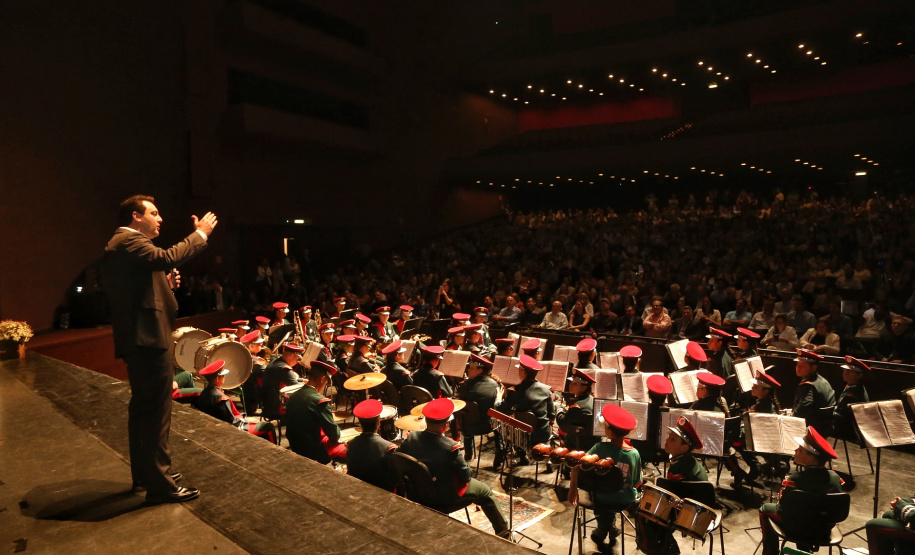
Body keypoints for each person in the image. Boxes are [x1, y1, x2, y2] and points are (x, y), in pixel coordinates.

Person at [101, 194, 215, 503]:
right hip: (148, 340)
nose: (160, 217)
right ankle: (160, 485)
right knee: (155, 414)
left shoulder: (129, 247)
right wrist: (200, 233)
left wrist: (165, 283)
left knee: (145, 412)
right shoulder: (128, 240)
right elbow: (167, 257)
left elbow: (141, 286)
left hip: (143, 338)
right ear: (136, 217)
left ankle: (148, 474)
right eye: (153, 212)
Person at [399, 398, 510, 538]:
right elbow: (466, 476)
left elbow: (400, 459)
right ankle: (504, 534)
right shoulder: (450, 447)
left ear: (426, 421)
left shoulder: (410, 438)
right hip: (443, 497)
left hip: (417, 494)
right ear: (446, 424)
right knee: (486, 492)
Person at [568, 404, 642, 554]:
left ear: (608, 430)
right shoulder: (634, 454)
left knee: (601, 492)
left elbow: (578, 465)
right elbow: (636, 482)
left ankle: (603, 528)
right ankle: (610, 526)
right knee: (615, 491)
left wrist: (572, 488)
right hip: (625, 501)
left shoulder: (599, 448)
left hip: (602, 500)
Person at [758, 426, 842, 555]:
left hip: (799, 529)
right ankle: (804, 550)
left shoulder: (797, 478)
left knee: (765, 509)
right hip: (824, 529)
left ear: (811, 456)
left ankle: (770, 552)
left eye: (800, 450)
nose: (795, 450)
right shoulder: (835, 477)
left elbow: (783, 509)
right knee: (809, 512)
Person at [637, 416, 707, 555]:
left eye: (673, 439)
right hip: (702, 512)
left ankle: (660, 549)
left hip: (691, 516)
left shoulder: (678, 468)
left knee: (643, 511)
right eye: (669, 436)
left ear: (685, 447)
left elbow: (671, 498)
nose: (667, 440)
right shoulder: (690, 461)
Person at [196, 360, 276, 443]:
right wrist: (246, 420)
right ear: (217, 378)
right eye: (223, 376)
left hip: (212, 426)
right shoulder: (221, 398)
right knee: (269, 427)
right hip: (226, 430)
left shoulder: (204, 392)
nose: (224, 377)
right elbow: (231, 422)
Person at [285, 361, 347, 464]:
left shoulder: (293, 396)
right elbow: (334, 435)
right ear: (322, 379)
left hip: (295, 446)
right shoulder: (319, 401)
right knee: (350, 450)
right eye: (326, 382)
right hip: (314, 450)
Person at [499, 355, 555, 463]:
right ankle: (547, 458)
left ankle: (522, 456)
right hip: (541, 434)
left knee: (517, 426)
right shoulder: (546, 390)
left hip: (521, 436)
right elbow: (552, 416)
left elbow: (501, 409)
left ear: (523, 372)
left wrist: (498, 398)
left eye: (519, 369)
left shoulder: (514, 391)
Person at [457, 354, 502, 463]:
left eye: (471, 368)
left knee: (464, 416)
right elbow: (498, 408)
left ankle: (468, 455)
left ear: (480, 370)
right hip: (489, 426)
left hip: (468, 428)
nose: (468, 370)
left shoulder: (464, 386)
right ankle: (499, 454)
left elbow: (460, 405)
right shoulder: (496, 385)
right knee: (500, 423)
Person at [346, 399, 397, 491]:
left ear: (361, 424)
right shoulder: (388, 448)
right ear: (379, 423)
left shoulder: (351, 444)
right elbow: (394, 478)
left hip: (358, 489)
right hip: (382, 494)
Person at [792, 349, 836, 436]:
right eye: (798, 364)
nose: (798, 367)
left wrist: (790, 415)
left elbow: (801, 411)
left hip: (813, 429)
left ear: (813, 367)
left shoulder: (808, 385)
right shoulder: (823, 380)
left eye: (803, 365)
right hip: (827, 426)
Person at [556, 368, 596, 452]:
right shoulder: (592, 399)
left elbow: (563, 423)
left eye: (575, 384)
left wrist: (559, 408)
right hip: (592, 442)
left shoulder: (577, 406)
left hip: (577, 444)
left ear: (583, 388)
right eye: (571, 382)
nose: (570, 385)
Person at [262, 343, 304, 421]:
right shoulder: (284, 368)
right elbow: (298, 388)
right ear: (291, 356)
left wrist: (302, 380)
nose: (297, 362)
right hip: (276, 408)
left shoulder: (275, 362)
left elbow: (286, 379)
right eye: (297, 358)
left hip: (267, 405)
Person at [833, 355, 870, 439]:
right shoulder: (852, 386)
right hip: (844, 423)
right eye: (845, 370)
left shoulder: (855, 393)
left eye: (850, 371)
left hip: (849, 430)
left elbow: (843, 417)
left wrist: (826, 413)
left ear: (859, 375)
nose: (845, 373)